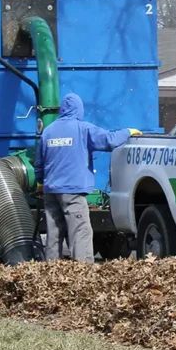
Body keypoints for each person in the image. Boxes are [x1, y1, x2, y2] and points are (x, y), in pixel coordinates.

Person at [34, 93, 139, 263]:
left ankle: (50, 271)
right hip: (72, 191)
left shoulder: (49, 131)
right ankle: (83, 273)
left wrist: (41, 182)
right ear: (79, 110)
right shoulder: (82, 129)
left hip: (50, 191)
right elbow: (109, 141)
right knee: (80, 232)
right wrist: (128, 132)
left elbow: (39, 163)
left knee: (54, 234)